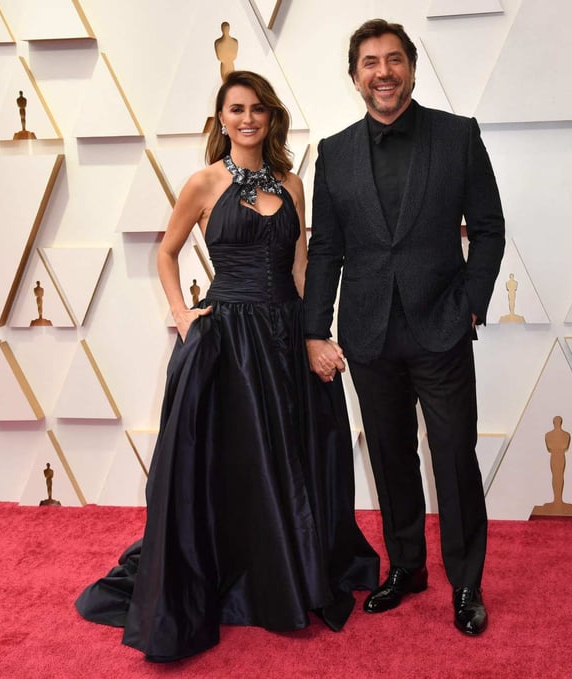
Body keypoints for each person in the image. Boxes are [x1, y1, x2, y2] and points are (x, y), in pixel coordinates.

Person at [75, 70, 379, 662]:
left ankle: (294, 568)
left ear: (270, 118)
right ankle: (247, 575)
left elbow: (300, 270)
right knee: (238, 464)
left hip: (286, 335)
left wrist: (315, 336)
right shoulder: (202, 183)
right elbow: (164, 251)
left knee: (294, 454)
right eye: (236, 109)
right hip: (229, 342)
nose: (247, 118)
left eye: (257, 109)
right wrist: (182, 313)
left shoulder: (292, 183)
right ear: (220, 120)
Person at [303, 19, 505, 636]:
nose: (382, 72)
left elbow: (490, 228)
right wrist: (315, 329)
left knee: (453, 457)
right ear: (355, 76)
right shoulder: (334, 153)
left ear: (412, 69)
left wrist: (470, 303)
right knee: (390, 457)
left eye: (393, 60)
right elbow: (326, 249)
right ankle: (407, 567)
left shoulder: (458, 136)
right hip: (367, 333)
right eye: (369, 62)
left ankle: (466, 581)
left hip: (441, 326)